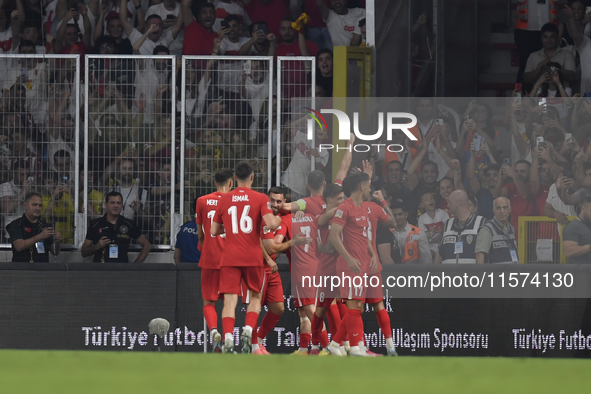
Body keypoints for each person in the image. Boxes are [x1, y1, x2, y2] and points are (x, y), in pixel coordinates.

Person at [211, 161, 281, 354]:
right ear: (252, 177)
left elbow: (213, 230)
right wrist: (278, 218)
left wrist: (232, 228)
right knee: (256, 296)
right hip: (253, 257)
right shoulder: (259, 199)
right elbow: (271, 224)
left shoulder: (224, 199)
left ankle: (227, 337)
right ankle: (248, 330)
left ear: (234, 179)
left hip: (230, 257)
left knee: (229, 301)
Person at [325, 171, 378, 357]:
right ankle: (354, 347)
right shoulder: (345, 208)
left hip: (361, 264)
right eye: (368, 184)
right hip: (349, 265)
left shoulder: (361, 208)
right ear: (362, 187)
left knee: (357, 307)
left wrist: (372, 255)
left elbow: (364, 237)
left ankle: (335, 343)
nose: (370, 188)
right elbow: (334, 234)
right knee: (354, 307)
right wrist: (348, 258)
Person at [194, 168, 233, 352]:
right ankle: (227, 340)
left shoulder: (202, 201)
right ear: (231, 183)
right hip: (231, 259)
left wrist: (207, 247)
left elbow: (200, 233)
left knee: (209, 302)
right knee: (228, 303)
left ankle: (214, 331)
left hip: (209, 258)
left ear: (215, 182)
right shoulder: (235, 202)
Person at [81, 191, 151, 263]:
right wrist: (97, 246)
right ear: (106, 205)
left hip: (122, 270)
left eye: (119, 203)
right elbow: (84, 252)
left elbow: (147, 245)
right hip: (101, 270)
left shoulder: (129, 224)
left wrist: (135, 266)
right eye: (112, 203)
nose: (116, 206)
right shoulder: (95, 224)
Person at [6, 192, 62, 263]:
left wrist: (57, 242)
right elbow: (19, 246)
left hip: (42, 270)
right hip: (21, 269)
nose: (38, 208)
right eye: (34, 205)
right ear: (25, 205)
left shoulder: (45, 226)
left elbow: (55, 252)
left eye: (40, 205)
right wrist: (40, 236)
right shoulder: (16, 224)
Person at [434, 190, 485, 264]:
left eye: (449, 202)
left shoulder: (481, 223)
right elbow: (439, 252)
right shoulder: (447, 224)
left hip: (471, 275)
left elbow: (482, 255)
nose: (447, 206)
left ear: (457, 203)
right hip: (448, 275)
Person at [475, 197, 519, 264]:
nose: (502, 211)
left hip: (511, 272)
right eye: (498, 208)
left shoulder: (511, 228)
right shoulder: (486, 229)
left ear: (510, 210)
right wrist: (481, 273)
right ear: (493, 210)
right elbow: (479, 255)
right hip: (495, 274)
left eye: (505, 208)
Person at [563, 196, 591, 263]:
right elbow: (568, 251)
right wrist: (589, 246)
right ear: (583, 208)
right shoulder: (573, 227)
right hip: (581, 271)